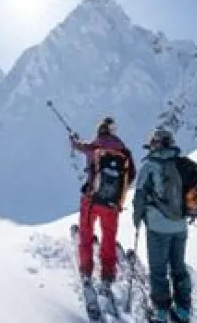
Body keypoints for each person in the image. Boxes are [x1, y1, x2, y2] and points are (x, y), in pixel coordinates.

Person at [132, 128, 192, 323]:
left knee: (158, 269)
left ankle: (161, 311)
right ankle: (183, 310)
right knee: (178, 267)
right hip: (180, 226)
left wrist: (137, 219)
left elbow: (139, 196)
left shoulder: (149, 165)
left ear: (156, 143)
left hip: (158, 226)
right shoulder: (182, 163)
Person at [70, 116, 136, 292]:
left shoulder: (94, 147)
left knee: (86, 234)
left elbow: (78, 146)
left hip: (91, 200)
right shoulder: (124, 151)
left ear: (99, 131)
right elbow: (131, 176)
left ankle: (86, 271)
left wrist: (74, 140)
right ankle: (107, 274)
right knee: (108, 237)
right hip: (112, 205)